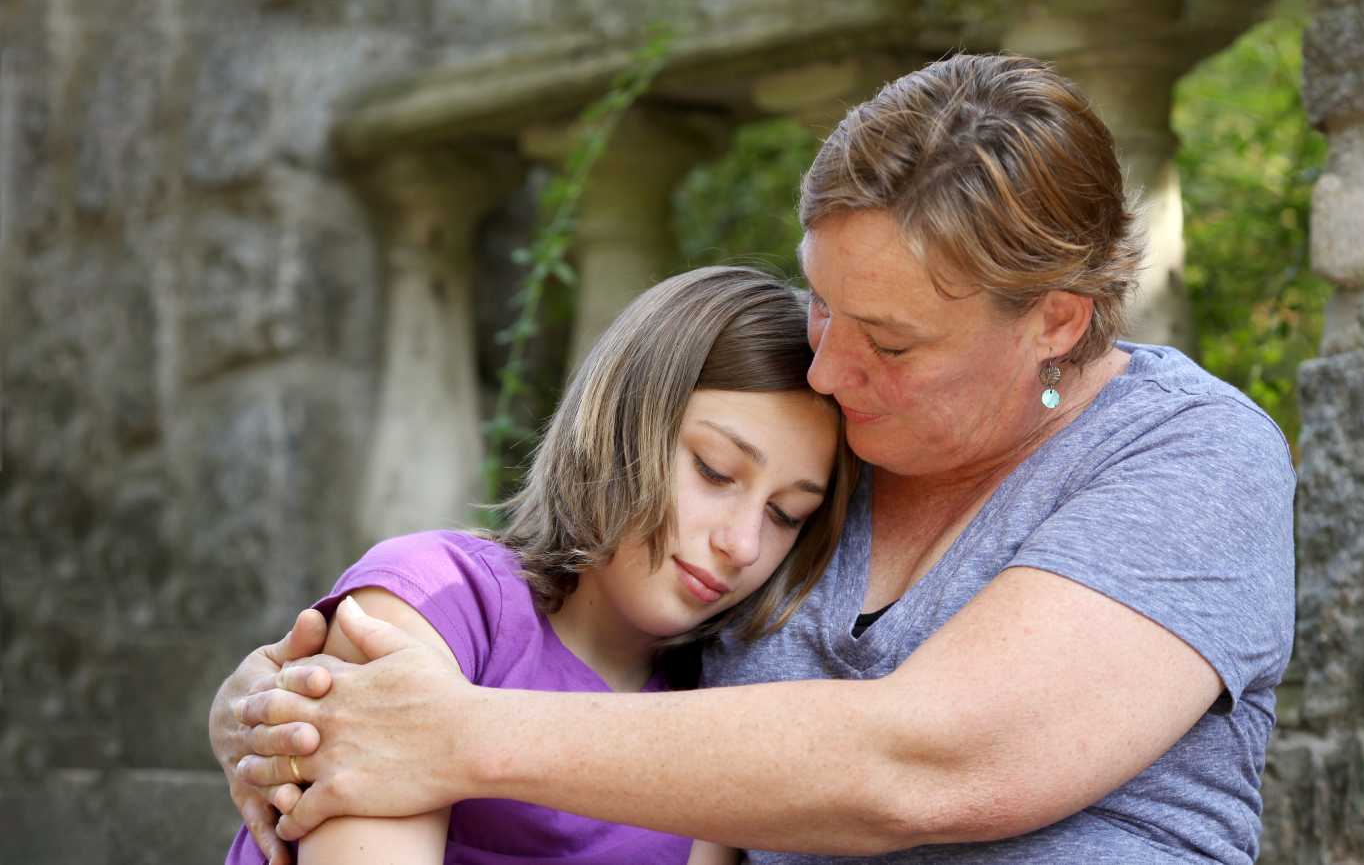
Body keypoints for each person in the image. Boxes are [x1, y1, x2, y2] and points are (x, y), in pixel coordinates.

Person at [213, 54, 1297, 865]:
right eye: (822, 303)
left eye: (890, 341)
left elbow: (936, 763)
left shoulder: (1189, 455)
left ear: (1056, 321)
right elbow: (557, 622)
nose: (825, 367)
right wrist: (271, 704)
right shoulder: (825, 449)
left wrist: (450, 732)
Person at [218, 265, 853, 865]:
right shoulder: (436, 598)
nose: (742, 545)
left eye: (786, 515)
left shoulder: (721, 697)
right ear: (620, 421)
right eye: (714, 470)